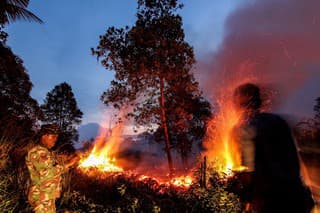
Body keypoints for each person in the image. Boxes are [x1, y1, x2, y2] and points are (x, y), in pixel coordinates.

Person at [232, 83, 314, 213]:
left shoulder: (247, 128)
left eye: (237, 101)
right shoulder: (279, 121)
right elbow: (296, 161)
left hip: (271, 200)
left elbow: (248, 172)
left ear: (243, 102)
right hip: (296, 195)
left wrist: (247, 199)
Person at [26, 123, 79, 213]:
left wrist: (64, 160)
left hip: (47, 196)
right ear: (44, 135)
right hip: (41, 198)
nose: (55, 139)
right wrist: (68, 164)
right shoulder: (37, 152)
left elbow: (52, 168)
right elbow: (46, 174)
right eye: (53, 136)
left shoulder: (45, 152)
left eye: (57, 137)